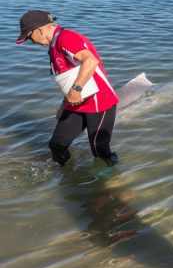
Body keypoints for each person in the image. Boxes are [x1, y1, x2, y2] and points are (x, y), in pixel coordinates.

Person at [15, 10, 119, 166]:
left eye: (29, 37)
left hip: (100, 102)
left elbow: (90, 61)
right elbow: (68, 78)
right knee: (57, 145)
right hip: (76, 102)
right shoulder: (53, 46)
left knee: (99, 150)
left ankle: (112, 181)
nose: (31, 41)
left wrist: (75, 91)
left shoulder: (66, 38)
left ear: (40, 29)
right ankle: (67, 179)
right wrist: (64, 104)